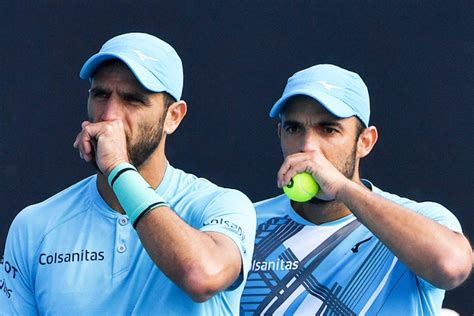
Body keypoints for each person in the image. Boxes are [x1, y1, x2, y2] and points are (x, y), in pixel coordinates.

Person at [0, 32, 256, 315]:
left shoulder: (220, 205)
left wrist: (119, 169)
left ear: (173, 117)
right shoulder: (34, 225)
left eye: (133, 99)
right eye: (100, 94)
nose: (110, 115)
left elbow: (202, 276)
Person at [240, 64, 472, 315]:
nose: (307, 146)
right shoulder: (247, 222)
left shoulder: (419, 220)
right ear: (279, 134)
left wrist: (342, 187)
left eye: (328, 129)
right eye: (293, 128)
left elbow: (451, 267)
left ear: (365, 142)